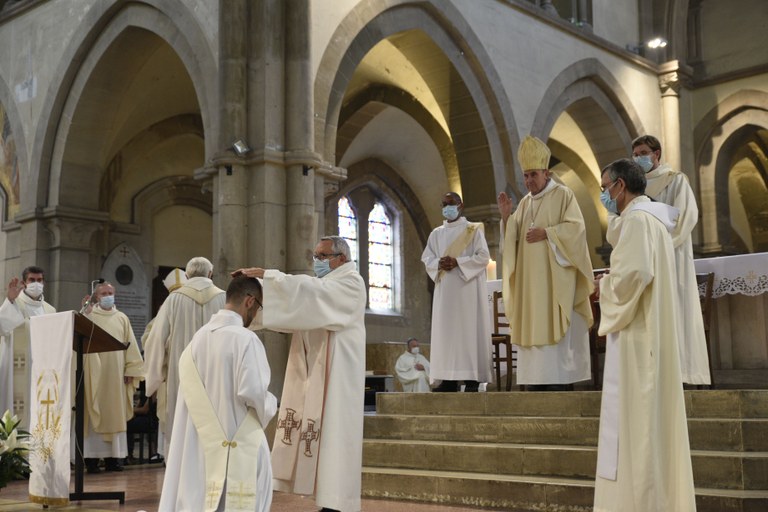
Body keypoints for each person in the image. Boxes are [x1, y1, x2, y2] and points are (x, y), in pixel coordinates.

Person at [234, 235, 366, 512]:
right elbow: (300, 308)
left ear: (341, 258)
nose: (316, 261)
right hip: (317, 371)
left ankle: (338, 503)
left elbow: (311, 293)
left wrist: (270, 277)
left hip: (338, 377)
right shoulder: (325, 284)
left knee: (335, 436)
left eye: (322, 256)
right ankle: (326, 500)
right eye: (315, 256)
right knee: (322, 436)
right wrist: (255, 299)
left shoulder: (351, 283)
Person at [593, 158, 695, 511]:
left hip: (639, 336)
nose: (604, 195)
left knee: (638, 424)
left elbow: (636, 274)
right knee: (650, 425)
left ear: (620, 186)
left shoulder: (637, 221)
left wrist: (604, 286)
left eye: (605, 188)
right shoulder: (654, 221)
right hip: (650, 332)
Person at [159, 276, 276, 512]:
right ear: (250, 301)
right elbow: (253, 392)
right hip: (237, 438)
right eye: (259, 307)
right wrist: (272, 404)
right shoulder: (246, 339)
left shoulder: (195, 341)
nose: (257, 315)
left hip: (196, 447)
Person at [497, 135, 593, 390]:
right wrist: (506, 218)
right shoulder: (524, 204)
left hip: (554, 282)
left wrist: (548, 233)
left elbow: (576, 230)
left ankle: (557, 381)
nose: (529, 181)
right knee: (532, 323)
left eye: (534, 175)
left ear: (546, 173)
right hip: (530, 286)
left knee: (553, 324)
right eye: (525, 175)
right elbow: (512, 242)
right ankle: (535, 381)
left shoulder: (563, 195)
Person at [630, 134, 710, 385]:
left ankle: (681, 373)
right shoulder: (635, 186)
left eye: (643, 153)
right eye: (635, 155)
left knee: (675, 310)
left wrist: (661, 244)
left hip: (671, 257)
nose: (639, 158)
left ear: (657, 154)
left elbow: (686, 216)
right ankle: (653, 375)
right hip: (644, 258)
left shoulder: (676, 180)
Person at [143, 257, 225, 457]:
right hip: (217, 371)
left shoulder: (173, 299)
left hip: (181, 372)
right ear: (210, 274)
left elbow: (155, 339)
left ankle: (181, 467)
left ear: (187, 275)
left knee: (182, 419)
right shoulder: (223, 298)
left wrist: (155, 375)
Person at [421, 192, 492, 393]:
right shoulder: (436, 234)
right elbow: (427, 258)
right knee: (446, 334)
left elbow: (483, 257)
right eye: (444, 204)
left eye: (451, 204)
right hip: (445, 293)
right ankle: (448, 380)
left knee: (468, 332)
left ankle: (472, 379)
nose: (447, 208)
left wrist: (458, 262)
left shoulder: (473, 230)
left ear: (460, 205)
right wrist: (439, 263)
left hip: (467, 291)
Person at [81, 282, 144, 473]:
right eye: (103, 293)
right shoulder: (90, 315)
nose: (108, 296)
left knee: (114, 412)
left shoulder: (121, 318)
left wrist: (131, 369)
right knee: (94, 410)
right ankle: (92, 459)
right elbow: (80, 337)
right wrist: (84, 314)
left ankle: (113, 459)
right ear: (96, 296)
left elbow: (131, 345)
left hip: (116, 375)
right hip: (94, 374)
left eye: (110, 293)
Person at [0, 266, 56, 427]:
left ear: (44, 283)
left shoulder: (50, 310)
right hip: (18, 366)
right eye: (32, 280)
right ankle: (13, 440)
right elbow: (3, 327)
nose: (36, 283)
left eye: (39, 280)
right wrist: (10, 300)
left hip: (42, 368)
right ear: (24, 283)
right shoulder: (15, 303)